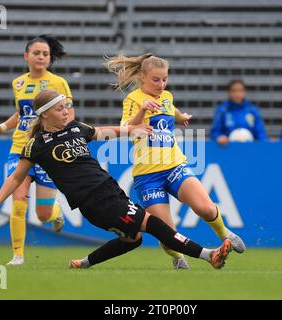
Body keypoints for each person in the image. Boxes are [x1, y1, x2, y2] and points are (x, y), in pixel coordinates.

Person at [0, 90, 233, 270]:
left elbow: (104, 132)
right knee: (153, 225)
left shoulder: (76, 128)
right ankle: (209, 255)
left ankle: (84, 263)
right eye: (61, 109)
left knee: (133, 239)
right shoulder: (36, 145)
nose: (66, 112)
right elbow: (16, 177)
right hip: (96, 200)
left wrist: (131, 129)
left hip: (109, 191)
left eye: (67, 108)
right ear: (45, 114)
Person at [105, 54, 245, 270]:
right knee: (168, 235)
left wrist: (181, 117)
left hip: (174, 166)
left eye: (164, 79)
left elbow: (171, 110)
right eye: (155, 79)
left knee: (206, 208)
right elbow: (125, 128)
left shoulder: (167, 96)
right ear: (142, 77)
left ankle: (225, 234)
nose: (161, 84)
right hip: (147, 176)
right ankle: (178, 258)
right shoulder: (133, 100)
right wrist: (142, 111)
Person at [0, 35, 74, 266]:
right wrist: (0, 127)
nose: (41, 57)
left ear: (49, 58)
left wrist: (63, 136)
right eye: (37, 53)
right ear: (27, 56)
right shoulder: (18, 83)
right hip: (20, 147)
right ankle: (18, 255)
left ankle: (55, 212)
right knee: (19, 198)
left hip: (46, 149)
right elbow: (21, 115)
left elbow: (68, 113)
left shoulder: (58, 83)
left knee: (43, 215)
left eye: (45, 54)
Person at [210, 80, 268, 145]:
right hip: (227, 149)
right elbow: (215, 132)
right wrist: (219, 138)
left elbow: (260, 132)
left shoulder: (252, 110)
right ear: (229, 92)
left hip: (250, 149)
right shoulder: (222, 110)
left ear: (244, 92)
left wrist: (263, 144)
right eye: (234, 91)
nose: (237, 93)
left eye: (240, 90)